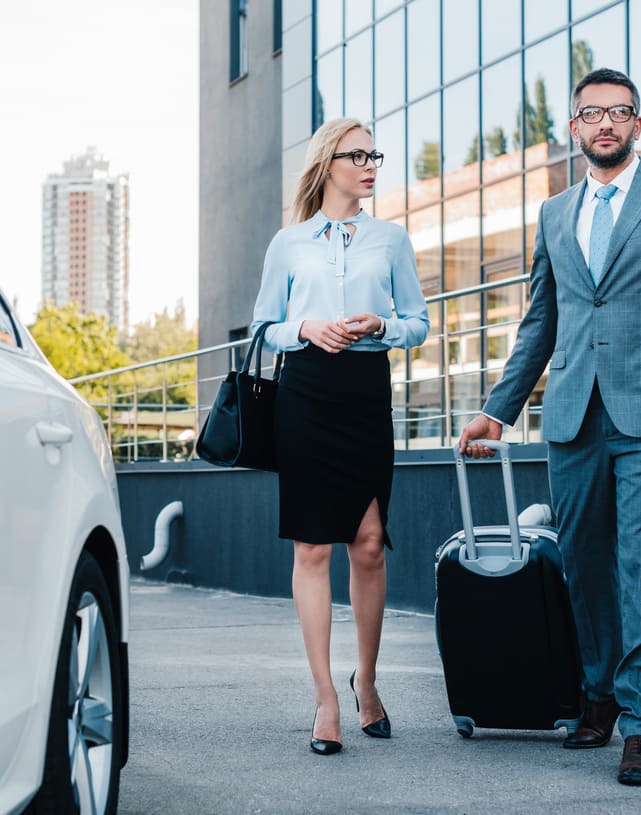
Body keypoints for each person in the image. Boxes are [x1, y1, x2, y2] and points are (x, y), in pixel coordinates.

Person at [457, 68, 641, 785]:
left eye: (619, 112)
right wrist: (498, 406)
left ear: (638, 124)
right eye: (591, 113)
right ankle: (601, 693)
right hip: (573, 414)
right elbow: (541, 323)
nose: (605, 124)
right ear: (575, 128)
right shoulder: (555, 213)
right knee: (582, 561)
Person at [250, 116, 429, 756]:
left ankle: (369, 682)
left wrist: (382, 324)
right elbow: (262, 327)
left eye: (375, 154)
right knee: (311, 549)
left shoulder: (391, 239)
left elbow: (419, 324)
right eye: (359, 155)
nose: (372, 164)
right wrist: (303, 330)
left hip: (363, 392)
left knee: (371, 543)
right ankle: (326, 698)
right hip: (304, 393)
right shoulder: (288, 242)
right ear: (329, 163)